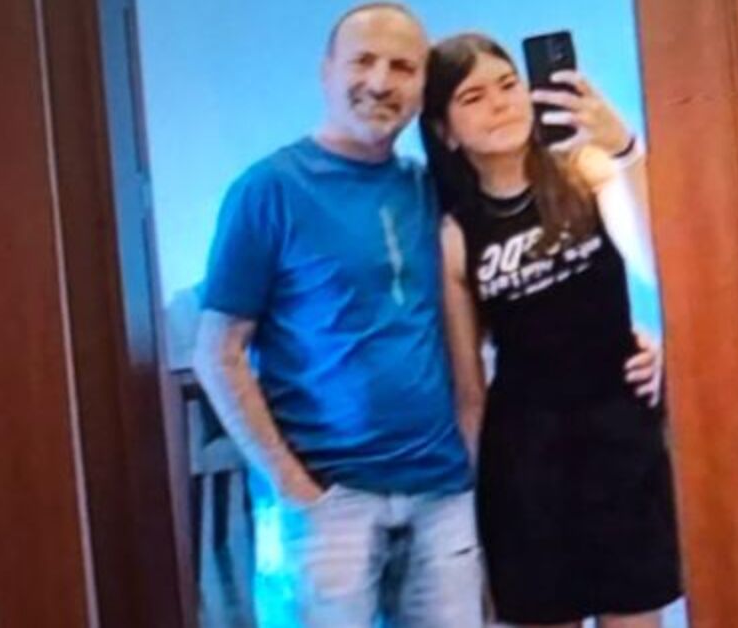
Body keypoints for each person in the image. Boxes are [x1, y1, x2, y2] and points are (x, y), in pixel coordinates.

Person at [192, 4, 663, 626]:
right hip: (339, 498)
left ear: (419, 92)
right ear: (327, 70)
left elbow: (614, 276)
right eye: (363, 61)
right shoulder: (273, 191)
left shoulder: (430, 191)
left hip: (451, 489)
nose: (380, 81)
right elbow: (218, 350)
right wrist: (291, 485)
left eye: (402, 67)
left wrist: (645, 335)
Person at [420, 33, 682, 628]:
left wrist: (625, 149)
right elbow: (469, 390)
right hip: (525, 458)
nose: (500, 104)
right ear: (446, 130)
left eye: (508, 85)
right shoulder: (456, 235)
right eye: (473, 97)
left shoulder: (586, 171)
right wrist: (479, 516)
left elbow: (660, 265)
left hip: (620, 440)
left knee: (635, 613)